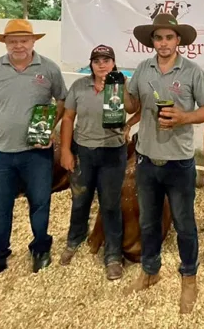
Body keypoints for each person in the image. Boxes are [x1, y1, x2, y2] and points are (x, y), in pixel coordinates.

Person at [0, 19, 68, 299]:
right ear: (5, 44)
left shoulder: (48, 69)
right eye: (12, 41)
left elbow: (63, 101)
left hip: (37, 152)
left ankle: (41, 247)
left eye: (24, 40)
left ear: (34, 42)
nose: (18, 45)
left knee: (40, 204)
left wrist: (49, 127)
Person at [123, 12, 204, 314]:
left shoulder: (192, 71)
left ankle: (189, 277)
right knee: (148, 221)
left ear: (178, 41)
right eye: (158, 38)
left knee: (184, 223)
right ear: (152, 42)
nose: (163, 43)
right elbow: (131, 105)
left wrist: (184, 117)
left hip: (179, 162)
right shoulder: (142, 69)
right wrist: (120, 89)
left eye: (169, 37)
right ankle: (150, 270)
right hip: (146, 159)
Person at [58, 44, 140, 280]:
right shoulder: (79, 86)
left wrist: (121, 90)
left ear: (114, 63)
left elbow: (135, 107)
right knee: (80, 198)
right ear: (91, 64)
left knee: (110, 203)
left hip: (113, 152)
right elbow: (68, 117)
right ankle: (74, 240)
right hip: (84, 150)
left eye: (107, 60)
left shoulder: (122, 84)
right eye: (97, 61)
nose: (102, 64)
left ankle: (113, 255)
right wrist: (65, 149)